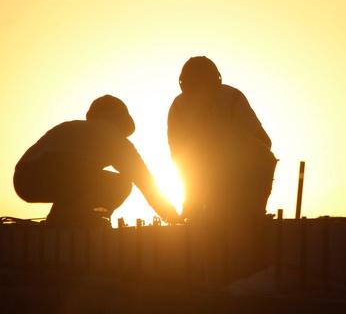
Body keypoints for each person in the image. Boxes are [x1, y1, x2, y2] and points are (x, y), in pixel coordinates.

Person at [13, 95, 180, 227]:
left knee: (82, 177)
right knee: (121, 184)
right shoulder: (116, 139)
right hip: (55, 173)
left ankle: (64, 217)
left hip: (23, 179)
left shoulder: (70, 127)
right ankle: (78, 218)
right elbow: (146, 183)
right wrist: (172, 217)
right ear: (121, 123)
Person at [167, 56, 276, 223]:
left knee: (262, 156)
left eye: (204, 87)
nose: (201, 96)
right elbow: (180, 159)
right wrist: (192, 202)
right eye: (196, 89)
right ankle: (206, 210)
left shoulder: (232, 99)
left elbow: (264, 143)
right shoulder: (178, 108)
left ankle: (252, 212)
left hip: (239, 172)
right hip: (203, 175)